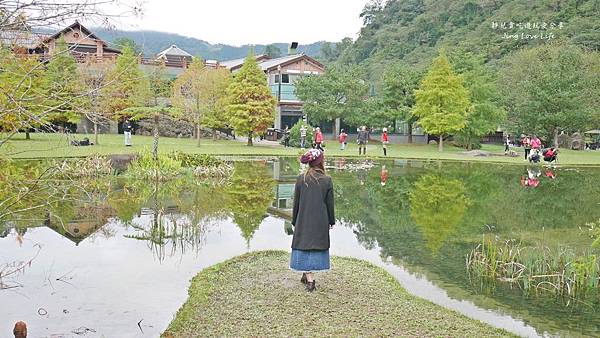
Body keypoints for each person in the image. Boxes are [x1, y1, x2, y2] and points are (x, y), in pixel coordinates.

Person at [290, 148, 335, 292]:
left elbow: (295, 202)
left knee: (304, 244)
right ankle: (310, 280)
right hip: (320, 220)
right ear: (321, 161)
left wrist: (295, 220)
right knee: (314, 245)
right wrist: (331, 221)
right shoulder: (327, 180)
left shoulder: (301, 179)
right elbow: (330, 204)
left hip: (303, 218)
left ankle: (307, 276)